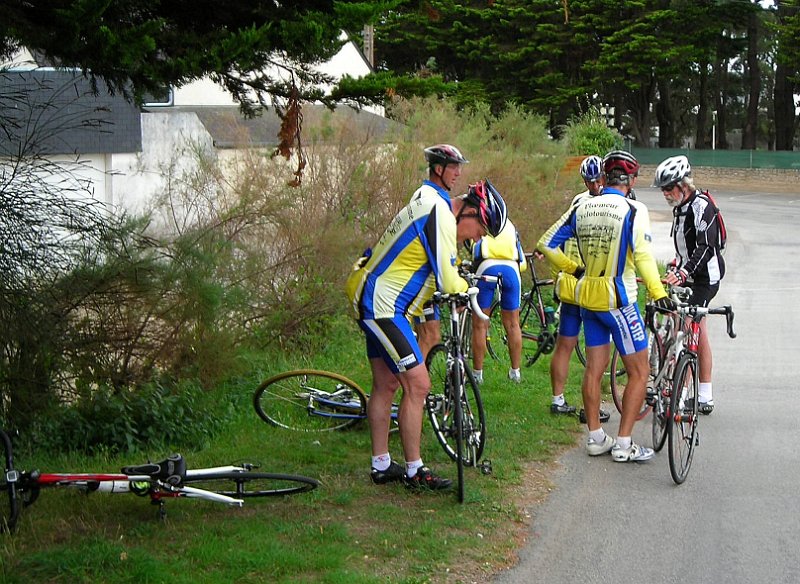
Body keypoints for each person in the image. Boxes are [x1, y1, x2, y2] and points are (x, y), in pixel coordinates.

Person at [346, 144, 507, 490]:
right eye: (480, 230)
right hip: (383, 305)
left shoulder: (427, 199)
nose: (478, 239)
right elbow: (448, 279)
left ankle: (381, 465)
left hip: (376, 297)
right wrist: (468, 289)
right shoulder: (439, 211)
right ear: (469, 213)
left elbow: (433, 271)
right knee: (418, 384)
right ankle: (414, 470)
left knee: (386, 384)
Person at [538, 150, 674, 463]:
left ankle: (596, 437)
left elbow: (546, 243)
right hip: (618, 300)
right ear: (632, 179)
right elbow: (642, 256)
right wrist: (656, 291)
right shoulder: (633, 208)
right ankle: (624, 444)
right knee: (640, 371)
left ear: (606, 177)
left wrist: (573, 268)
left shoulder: (582, 205)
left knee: (593, 369)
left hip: (588, 298)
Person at [537, 155, 608, 419]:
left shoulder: (576, 203)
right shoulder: (607, 204)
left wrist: (567, 269)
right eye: (591, 180)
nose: (594, 184)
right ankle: (593, 408)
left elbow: (553, 239)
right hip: (590, 285)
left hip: (570, 285)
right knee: (595, 351)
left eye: (596, 179)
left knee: (566, 344)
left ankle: (557, 400)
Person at [654, 155, 725, 414]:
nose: (665, 193)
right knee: (692, 325)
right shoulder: (680, 207)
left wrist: (684, 273)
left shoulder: (701, 206)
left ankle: (683, 395)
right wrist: (677, 265)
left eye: (669, 187)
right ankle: (702, 394)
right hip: (689, 273)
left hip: (706, 278)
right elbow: (685, 246)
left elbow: (706, 247)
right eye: (663, 189)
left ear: (684, 185)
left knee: (689, 326)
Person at [469, 193, 526, 384]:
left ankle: (477, 374)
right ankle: (515, 372)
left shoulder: (478, 220)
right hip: (511, 270)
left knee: (480, 324)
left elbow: (472, 249)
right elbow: (522, 262)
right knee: (513, 324)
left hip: (486, 267)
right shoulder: (509, 224)